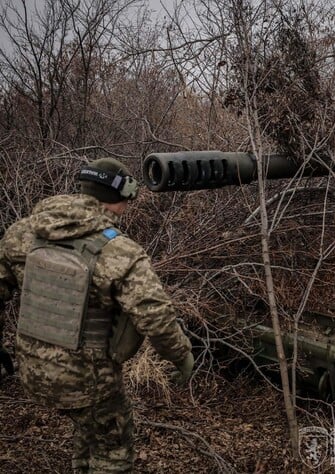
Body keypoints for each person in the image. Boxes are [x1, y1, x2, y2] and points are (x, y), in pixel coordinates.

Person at [0, 157, 194, 473]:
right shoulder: (118, 251)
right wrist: (181, 356)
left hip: (33, 370)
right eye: (125, 203)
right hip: (90, 380)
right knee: (113, 453)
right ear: (117, 197)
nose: (125, 211)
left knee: (87, 427)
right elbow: (155, 315)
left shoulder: (22, 233)